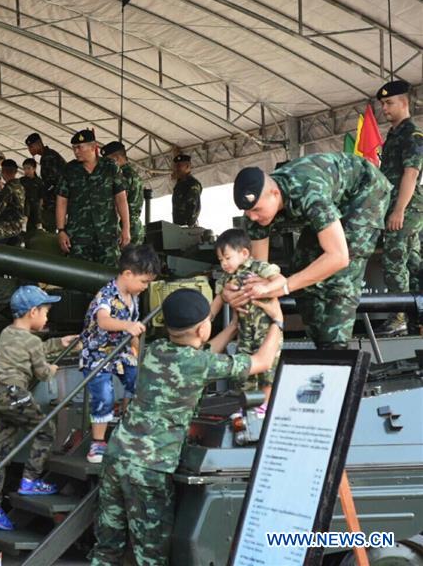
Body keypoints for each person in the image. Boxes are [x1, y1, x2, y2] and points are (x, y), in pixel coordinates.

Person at [89, 289, 283, 565]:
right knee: (151, 556)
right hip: (149, 468)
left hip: (116, 455)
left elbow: (202, 355)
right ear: (203, 328)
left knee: (107, 547)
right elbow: (262, 362)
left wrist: (231, 327)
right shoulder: (199, 364)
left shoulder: (155, 351)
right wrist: (277, 323)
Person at [231, 154, 391, 349]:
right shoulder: (254, 213)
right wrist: (256, 290)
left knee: (338, 278)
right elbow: (259, 269)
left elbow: (339, 257)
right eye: (248, 212)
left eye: (257, 210)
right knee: (302, 265)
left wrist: (284, 286)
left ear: (274, 193)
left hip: (364, 192)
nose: (252, 217)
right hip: (331, 197)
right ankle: (320, 343)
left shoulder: (308, 191)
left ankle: (336, 349)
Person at [0, 287, 77, 531]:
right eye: (45, 312)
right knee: (45, 430)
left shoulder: (7, 333)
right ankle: (30, 480)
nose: (47, 317)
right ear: (33, 312)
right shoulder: (32, 341)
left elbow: (26, 351)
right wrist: (52, 369)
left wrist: (58, 343)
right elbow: (42, 372)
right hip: (14, 394)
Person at [79, 245, 161, 464]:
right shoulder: (106, 295)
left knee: (138, 381)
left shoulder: (132, 297)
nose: (146, 287)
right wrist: (126, 326)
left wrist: (135, 350)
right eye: (144, 281)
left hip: (120, 353)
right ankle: (97, 442)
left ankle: (127, 426)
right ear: (127, 274)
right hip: (97, 355)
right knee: (104, 396)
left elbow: (133, 329)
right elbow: (103, 321)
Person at [209, 229, 285, 412]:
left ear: (244, 253)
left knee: (269, 373)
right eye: (220, 260)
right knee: (245, 372)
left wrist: (266, 289)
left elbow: (280, 280)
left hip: (268, 332)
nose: (224, 264)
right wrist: (206, 320)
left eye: (227, 258)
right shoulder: (227, 278)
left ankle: (266, 407)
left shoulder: (258, 268)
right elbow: (216, 303)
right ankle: (248, 409)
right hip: (244, 333)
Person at [375, 80, 423, 335]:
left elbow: (411, 174)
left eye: (389, 103)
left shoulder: (412, 136)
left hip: (407, 209)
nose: (385, 108)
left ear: (404, 103)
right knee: (414, 263)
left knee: (394, 261)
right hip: (399, 208)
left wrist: (399, 211)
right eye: (383, 104)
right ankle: (416, 318)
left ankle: (399, 318)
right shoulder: (394, 135)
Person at [56, 129, 130, 267]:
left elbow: (121, 198)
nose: (76, 151)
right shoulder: (69, 170)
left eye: (79, 147)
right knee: (78, 278)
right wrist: (61, 231)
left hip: (107, 236)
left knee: (109, 279)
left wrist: (126, 228)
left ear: (93, 147)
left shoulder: (110, 167)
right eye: (74, 148)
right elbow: (61, 200)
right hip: (78, 237)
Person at [101, 141, 144, 245]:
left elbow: (118, 203)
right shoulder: (133, 174)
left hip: (123, 229)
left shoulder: (122, 176)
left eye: (108, 160)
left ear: (116, 158)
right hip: (135, 228)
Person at [25, 132, 66, 231]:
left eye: (31, 146)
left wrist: (42, 195)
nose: (30, 149)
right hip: (58, 194)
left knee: (48, 220)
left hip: (56, 196)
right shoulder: (48, 155)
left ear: (39, 144)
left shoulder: (48, 157)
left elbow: (51, 181)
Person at [171, 154, 202, 227]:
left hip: (187, 228)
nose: (176, 169)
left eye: (179, 166)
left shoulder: (192, 184)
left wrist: (189, 226)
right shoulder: (179, 185)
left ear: (187, 166)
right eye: (176, 166)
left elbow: (194, 207)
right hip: (178, 227)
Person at [19, 157, 46, 233]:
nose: (26, 171)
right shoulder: (22, 180)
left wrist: (40, 205)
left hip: (35, 202)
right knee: (26, 204)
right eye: (24, 169)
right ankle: (24, 225)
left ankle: (39, 226)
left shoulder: (39, 182)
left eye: (28, 168)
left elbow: (41, 196)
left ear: (34, 168)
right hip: (25, 202)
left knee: (36, 208)